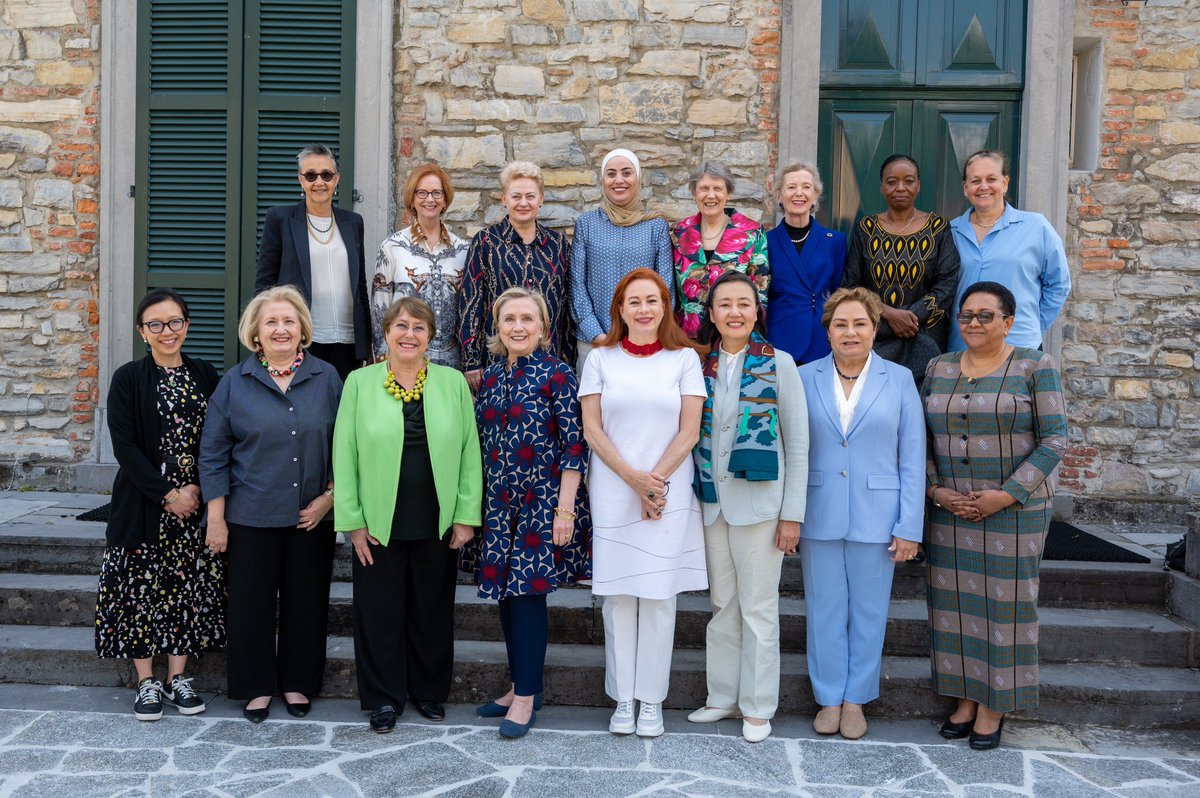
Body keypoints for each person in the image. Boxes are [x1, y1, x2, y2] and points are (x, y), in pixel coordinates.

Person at [922, 281, 1068, 751]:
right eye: (966, 315)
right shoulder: (938, 367)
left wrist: (1005, 496)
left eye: (986, 315)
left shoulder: (1035, 365)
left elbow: (1055, 440)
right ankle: (964, 697)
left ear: (1008, 321)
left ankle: (995, 703)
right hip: (950, 511)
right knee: (953, 608)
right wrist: (936, 491)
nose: (974, 324)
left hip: (1014, 513)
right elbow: (918, 437)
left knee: (1004, 607)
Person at [333, 296, 482, 734]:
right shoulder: (359, 383)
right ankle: (383, 698)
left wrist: (466, 514)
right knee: (378, 612)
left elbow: (470, 452)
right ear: (386, 333)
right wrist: (353, 521)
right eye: (400, 326)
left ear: (431, 336)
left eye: (418, 327)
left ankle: (429, 692)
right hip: (379, 521)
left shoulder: (452, 383)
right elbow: (345, 454)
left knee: (431, 610)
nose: (409, 335)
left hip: (437, 518)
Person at [199, 286, 342, 723]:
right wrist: (217, 519)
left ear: (302, 330)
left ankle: (298, 683)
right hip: (250, 516)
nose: (281, 329)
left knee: (307, 603)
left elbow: (348, 446)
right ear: (256, 334)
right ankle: (256, 687)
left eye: (289, 321)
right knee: (250, 606)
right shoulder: (234, 383)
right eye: (271, 322)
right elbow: (213, 453)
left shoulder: (328, 378)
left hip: (310, 518)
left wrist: (329, 499)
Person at [579, 268, 707, 738]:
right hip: (614, 487)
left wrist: (654, 485)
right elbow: (593, 429)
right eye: (634, 301)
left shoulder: (684, 360)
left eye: (652, 300)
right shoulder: (600, 359)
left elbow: (689, 430)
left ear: (665, 307)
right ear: (620, 308)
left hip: (669, 484)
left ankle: (651, 700)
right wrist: (634, 481)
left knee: (657, 596)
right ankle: (622, 698)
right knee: (618, 597)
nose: (644, 309)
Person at [462, 287, 592, 738]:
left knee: (527, 596)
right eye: (509, 319)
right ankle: (517, 684)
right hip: (498, 503)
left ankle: (526, 697)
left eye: (527, 319)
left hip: (542, 503)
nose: (518, 326)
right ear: (498, 328)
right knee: (504, 595)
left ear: (543, 326)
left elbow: (575, 446)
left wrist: (566, 507)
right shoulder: (494, 376)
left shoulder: (557, 373)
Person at [686, 271, 809, 743]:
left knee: (758, 608)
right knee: (722, 606)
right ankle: (722, 697)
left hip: (761, 507)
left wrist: (791, 515)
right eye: (725, 304)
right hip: (712, 502)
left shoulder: (779, 363)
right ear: (712, 314)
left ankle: (758, 706)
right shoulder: (698, 367)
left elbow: (797, 445)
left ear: (757, 312)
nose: (734, 312)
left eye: (744, 303)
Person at [798, 287, 924, 740]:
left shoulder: (901, 379)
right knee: (825, 612)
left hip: (879, 514)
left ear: (875, 328)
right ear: (827, 330)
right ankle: (829, 698)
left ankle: (856, 701)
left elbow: (912, 456)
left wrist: (910, 525)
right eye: (840, 324)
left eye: (860, 324)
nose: (850, 332)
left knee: (869, 614)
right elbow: (793, 451)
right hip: (818, 512)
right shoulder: (802, 376)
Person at [96, 288, 224, 721]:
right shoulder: (128, 378)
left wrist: (198, 491)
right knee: (139, 592)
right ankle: (146, 681)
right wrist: (168, 494)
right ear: (141, 332)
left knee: (186, 589)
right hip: (144, 504)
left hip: (196, 504)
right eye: (155, 324)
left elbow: (221, 439)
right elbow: (125, 446)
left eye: (174, 322)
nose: (166, 331)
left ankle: (178, 678)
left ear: (186, 325)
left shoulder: (207, 375)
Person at [255, 143, 371, 380]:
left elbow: (360, 286)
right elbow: (265, 284)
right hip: (302, 336)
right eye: (311, 175)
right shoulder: (280, 218)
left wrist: (366, 341)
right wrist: (261, 331)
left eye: (326, 175)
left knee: (342, 410)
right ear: (301, 181)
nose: (319, 182)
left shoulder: (353, 222)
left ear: (336, 179)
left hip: (347, 340)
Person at [842, 154, 960, 384]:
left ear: (918, 185)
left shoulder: (938, 228)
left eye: (908, 180)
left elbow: (947, 284)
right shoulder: (866, 228)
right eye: (892, 181)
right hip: (876, 337)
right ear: (881, 187)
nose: (900, 187)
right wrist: (888, 313)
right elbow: (851, 284)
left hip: (925, 338)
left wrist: (910, 317)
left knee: (920, 411)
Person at [459, 161, 575, 390]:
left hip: (549, 359)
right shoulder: (486, 242)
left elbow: (567, 304)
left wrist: (568, 359)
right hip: (497, 358)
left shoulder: (558, 244)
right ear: (504, 199)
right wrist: (471, 360)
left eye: (530, 196)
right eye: (516, 196)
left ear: (541, 199)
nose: (523, 203)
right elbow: (470, 302)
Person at [947, 150, 1071, 352]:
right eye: (975, 180)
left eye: (991, 179)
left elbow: (1059, 284)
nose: (983, 186)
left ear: (1004, 183)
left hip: (1018, 346)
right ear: (965, 187)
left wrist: (1032, 325)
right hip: (962, 347)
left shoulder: (1036, 227)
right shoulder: (951, 232)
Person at [569, 148, 674, 369]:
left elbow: (666, 289)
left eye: (627, 173)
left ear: (638, 178)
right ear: (603, 179)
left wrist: (645, 332)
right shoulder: (587, 224)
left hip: (645, 339)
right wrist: (595, 333)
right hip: (594, 343)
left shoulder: (656, 226)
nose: (619, 180)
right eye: (611, 174)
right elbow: (576, 284)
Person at [372, 163, 469, 368]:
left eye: (436, 193)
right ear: (412, 199)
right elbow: (380, 309)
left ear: (445, 200)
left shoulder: (463, 250)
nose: (430, 199)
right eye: (422, 193)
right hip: (403, 360)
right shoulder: (392, 247)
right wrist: (382, 360)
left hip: (451, 364)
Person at [673, 161, 769, 340]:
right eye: (704, 188)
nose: (711, 195)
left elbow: (760, 293)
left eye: (718, 188)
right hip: (686, 339)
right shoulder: (678, 232)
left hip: (735, 337)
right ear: (695, 192)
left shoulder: (753, 233)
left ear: (728, 193)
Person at [766, 162, 847, 366]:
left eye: (806, 187)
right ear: (779, 196)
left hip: (821, 339)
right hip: (779, 337)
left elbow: (838, 294)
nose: (799, 193)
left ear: (815, 196)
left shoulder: (835, 241)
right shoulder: (764, 241)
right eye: (791, 187)